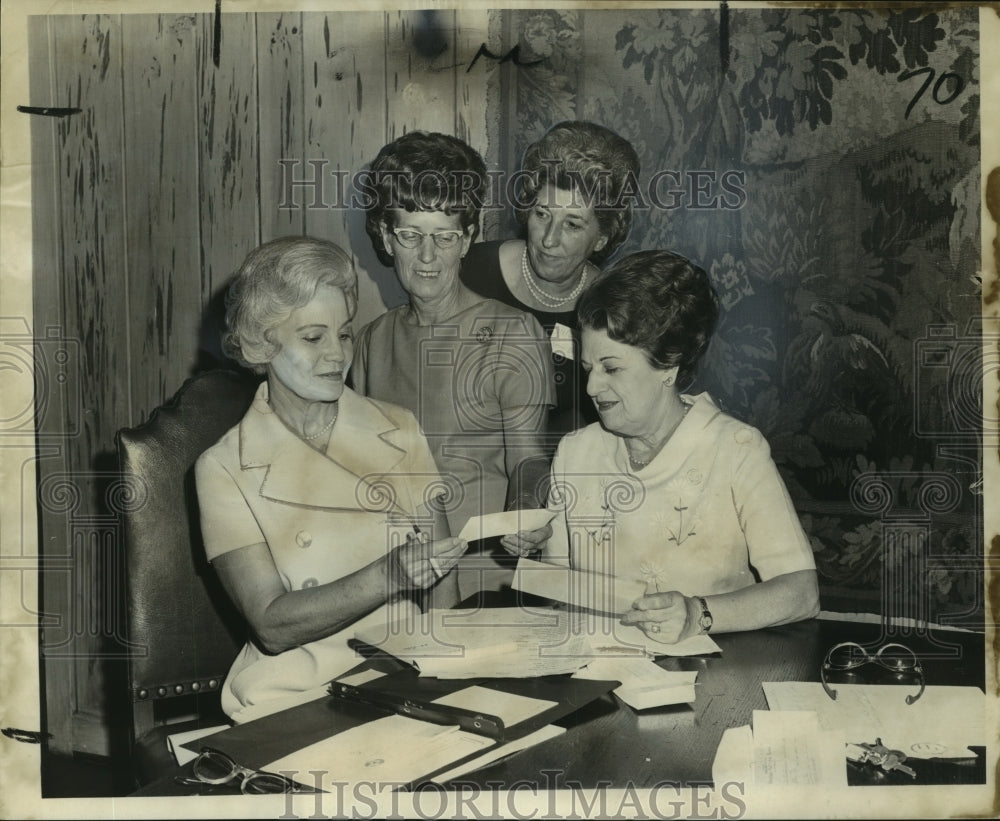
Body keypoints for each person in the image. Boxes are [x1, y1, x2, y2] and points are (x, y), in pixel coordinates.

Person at [195, 236, 467, 722]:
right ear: (263, 342)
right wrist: (388, 576)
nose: (337, 355)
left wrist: (441, 676)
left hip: (405, 683)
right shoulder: (222, 468)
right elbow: (271, 625)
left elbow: (443, 583)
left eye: (344, 334)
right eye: (313, 338)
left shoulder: (399, 428)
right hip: (296, 696)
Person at [537, 250, 820, 643]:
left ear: (668, 365)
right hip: (597, 676)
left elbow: (802, 593)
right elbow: (557, 591)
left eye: (612, 368)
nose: (591, 388)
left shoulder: (736, 449)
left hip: (713, 678)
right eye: (588, 369)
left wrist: (697, 614)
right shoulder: (574, 453)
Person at [351, 131, 555, 598]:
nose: (427, 256)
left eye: (444, 236)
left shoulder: (513, 332)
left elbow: (528, 457)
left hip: (485, 583)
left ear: (467, 239)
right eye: (410, 235)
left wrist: (526, 510)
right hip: (397, 579)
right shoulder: (369, 342)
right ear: (386, 236)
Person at [460, 121, 640, 440]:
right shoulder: (471, 270)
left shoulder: (611, 309)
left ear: (602, 238)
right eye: (542, 215)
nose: (549, 240)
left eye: (572, 225)